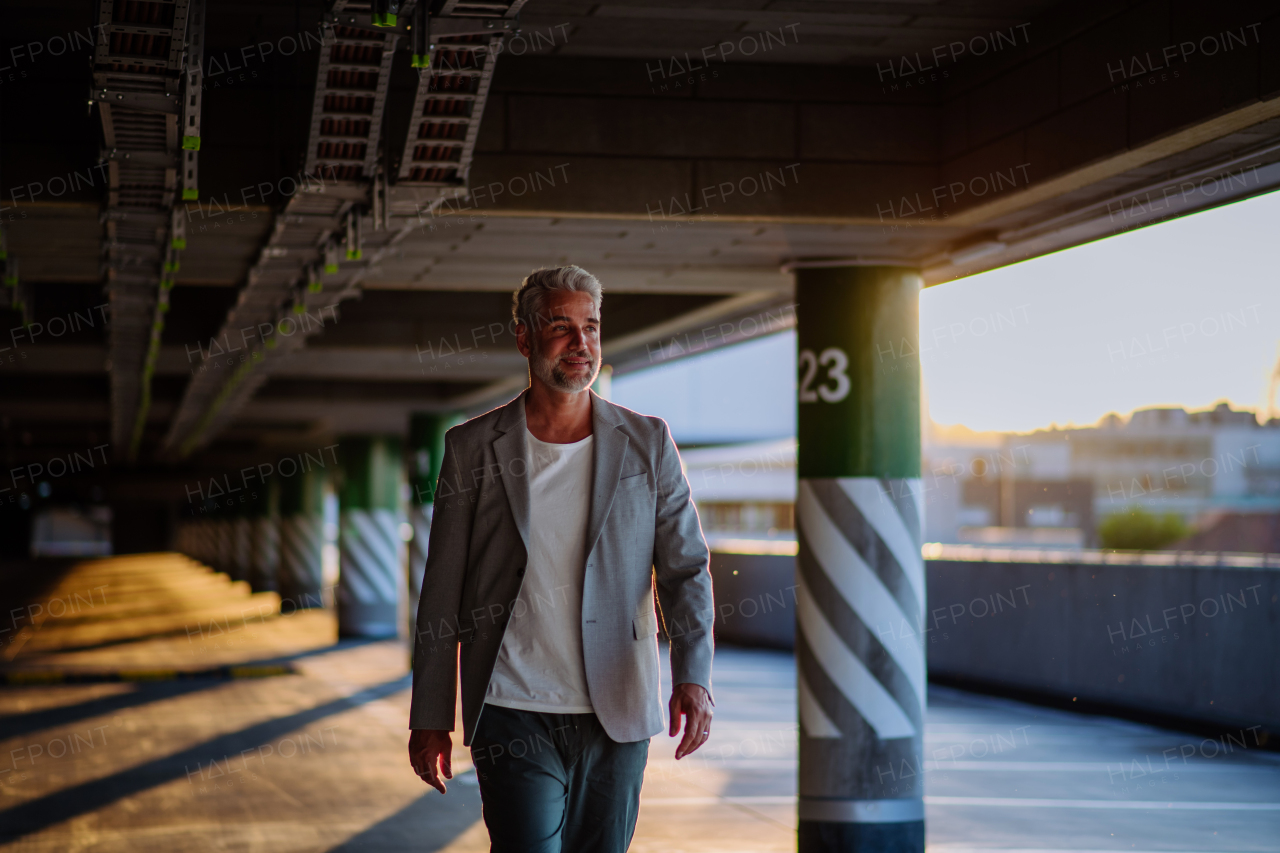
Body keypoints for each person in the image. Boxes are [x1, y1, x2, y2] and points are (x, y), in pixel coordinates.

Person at [406, 265, 715, 853]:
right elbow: (441, 592)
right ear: (524, 339)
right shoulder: (472, 448)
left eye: (592, 328)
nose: (581, 344)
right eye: (561, 327)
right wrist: (431, 714)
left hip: (618, 710)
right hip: (510, 707)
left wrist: (693, 676)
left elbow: (684, 570)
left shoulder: (647, 443)